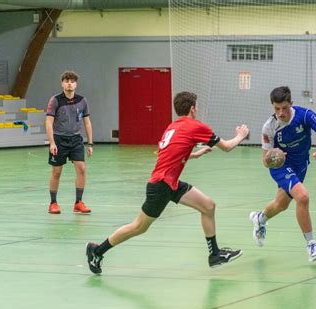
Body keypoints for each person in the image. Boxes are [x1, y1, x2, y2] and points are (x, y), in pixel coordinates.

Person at [86, 91, 249, 274]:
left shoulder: (172, 127)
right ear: (193, 109)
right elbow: (226, 147)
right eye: (196, 107)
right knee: (139, 227)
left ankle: (215, 254)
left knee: (208, 206)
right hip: (161, 186)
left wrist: (196, 153)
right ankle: (97, 251)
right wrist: (241, 135)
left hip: (170, 183)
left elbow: (169, 153)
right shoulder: (195, 126)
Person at [249, 86, 316, 262]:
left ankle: (260, 218)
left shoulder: (305, 115)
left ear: (291, 104)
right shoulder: (269, 127)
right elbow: (265, 161)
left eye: (284, 108)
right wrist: (275, 157)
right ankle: (312, 245)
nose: (281, 113)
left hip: (301, 165)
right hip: (281, 166)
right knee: (302, 197)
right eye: (276, 109)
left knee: (281, 204)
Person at [45, 71, 93, 214]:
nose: (69, 83)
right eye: (66, 81)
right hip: (59, 140)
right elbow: (48, 121)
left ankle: (78, 202)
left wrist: (90, 143)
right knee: (56, 172)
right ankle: (53, 203)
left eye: (72, 81)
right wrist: (52, 142)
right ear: (62, 84)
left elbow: (87, 123)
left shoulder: (82, 101)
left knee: (82, 169)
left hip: (76, 139)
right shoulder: (55, 100)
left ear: (76, 84)